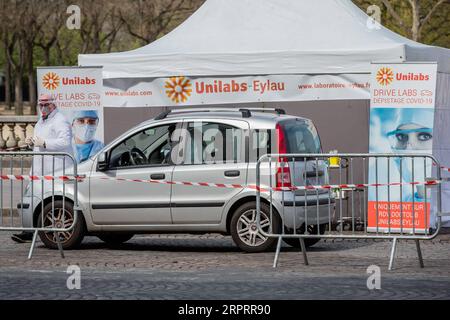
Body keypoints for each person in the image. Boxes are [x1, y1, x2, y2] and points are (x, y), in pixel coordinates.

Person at [11, 94, 73, 243]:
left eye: (46, 105)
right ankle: (28, 231)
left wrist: (44, 142)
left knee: (53, 202)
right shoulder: (41, 121)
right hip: (39, 169)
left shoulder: (60, 120)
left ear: (53, 105)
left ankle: (54, 232)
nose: (43, 108)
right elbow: (39, 142)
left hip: (55, 169)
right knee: (31, 200)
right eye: (41, 105)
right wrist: (31, 142)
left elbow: (64, 141)